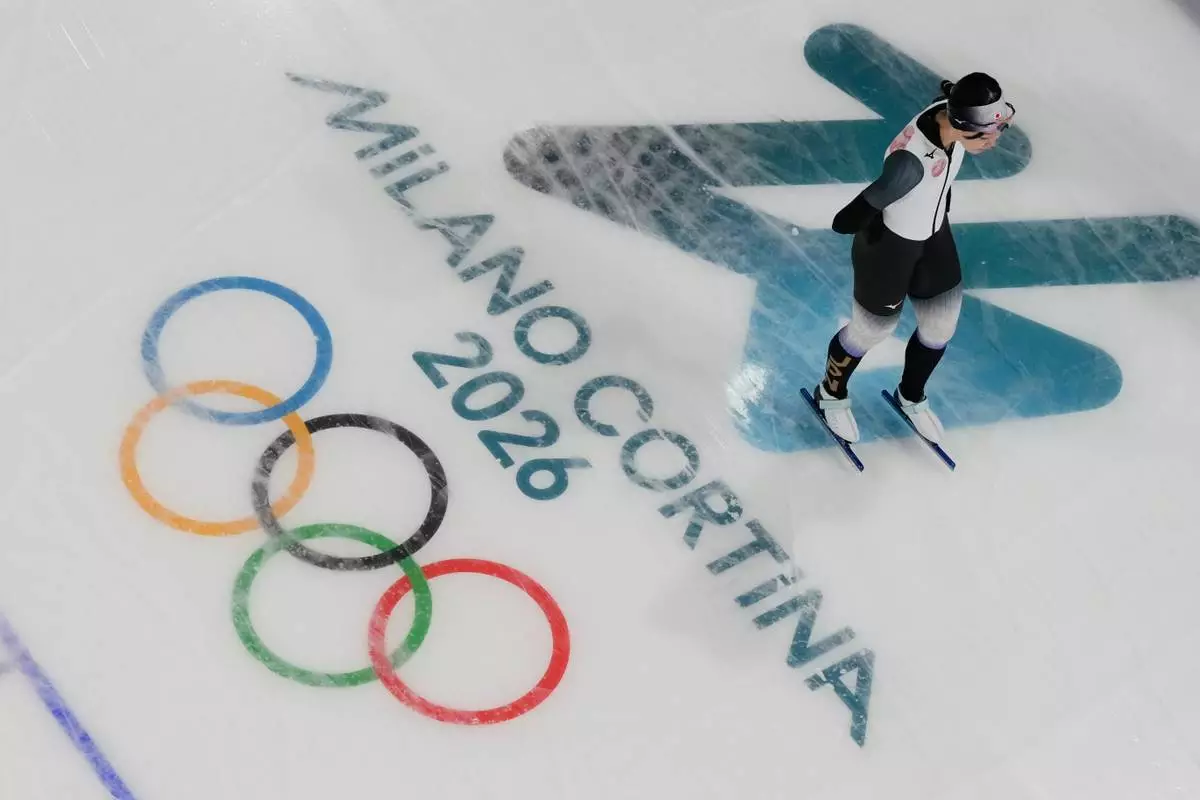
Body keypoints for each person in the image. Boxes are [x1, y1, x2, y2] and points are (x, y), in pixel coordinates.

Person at [812, 72, 1015, 444]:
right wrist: (875, 229)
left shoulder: (946, 112)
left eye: (999, 127)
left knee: (941, 326)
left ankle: (911, 395)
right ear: (962, 126)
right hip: (891, 249)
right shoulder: (909, 167)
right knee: (872, 330)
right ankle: (830, 394)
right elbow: (845, 221)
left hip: (933, 236)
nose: (994, 139)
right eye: (986, 134)